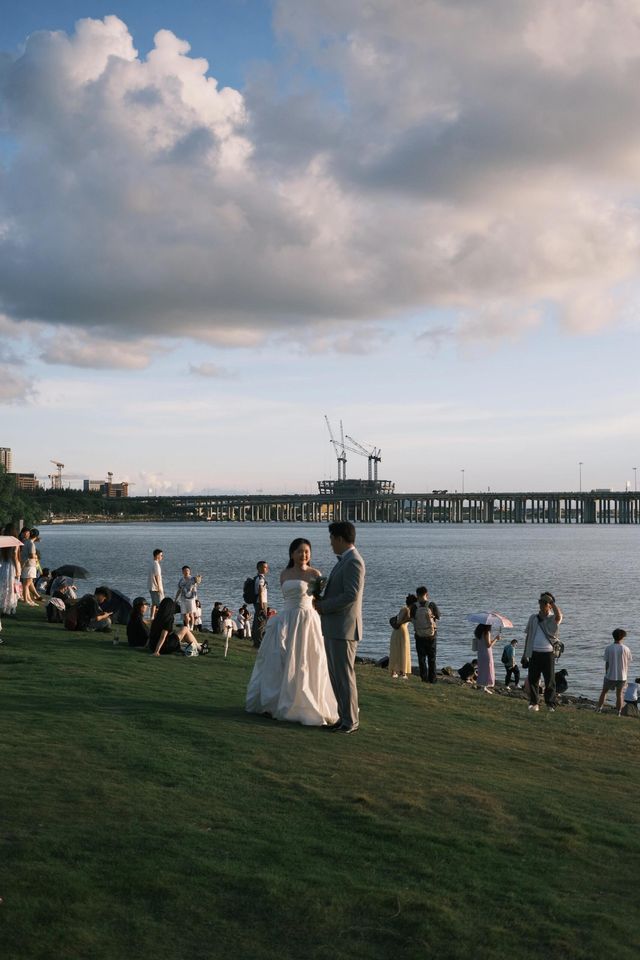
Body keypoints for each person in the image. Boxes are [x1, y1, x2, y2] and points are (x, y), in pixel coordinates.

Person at [246, 538, 338, 726]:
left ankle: (304, 704)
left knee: (307, 660)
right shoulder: (284, 574)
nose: (303, 555)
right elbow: (287, 597)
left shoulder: (315, 574)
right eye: (299, 551)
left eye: (306, 551)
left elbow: (317, 599)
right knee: (278, 659)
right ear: (292, 554)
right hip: (287, 619)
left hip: (307, 620)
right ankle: (274, 702)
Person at [314, 521, 365, 734]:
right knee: (336, 676)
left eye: (332, 539)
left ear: (340, 539)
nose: (330, 543)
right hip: (335, 627)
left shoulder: (354, 561)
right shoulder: (344, 560)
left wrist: (324, 606)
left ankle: (351, 721)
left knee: (344, 676)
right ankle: (343, 717)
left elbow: (350, 595)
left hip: (344, 628)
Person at [522, 591, 563, 712]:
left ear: (550, 605)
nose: (542, 604)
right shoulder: (533, 618)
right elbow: (528, 636)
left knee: (549, 680)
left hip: (548, 653)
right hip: (534, 652)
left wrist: (551, 601)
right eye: (541, 601)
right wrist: (525, 654)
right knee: (533, 679)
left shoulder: (552, 618)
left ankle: (550, 703)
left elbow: (559, 616)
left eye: (545, 602)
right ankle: (534, 702)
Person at [596, 629, 633, 715]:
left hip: (610, 675)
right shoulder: (626, 649)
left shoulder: (609, 648)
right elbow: (627, 664)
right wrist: (626, 676)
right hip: (622, 676)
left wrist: (606, 673)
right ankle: (618, 712)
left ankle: (599, 708)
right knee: (619, 694)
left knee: (604, 692)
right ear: (623, 637)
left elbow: (607, 663)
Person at [410, 586, 440, 683]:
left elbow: (412, 619)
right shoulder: (431, 605)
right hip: (431, 636)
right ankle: (433, 679)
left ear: (417, 595)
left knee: (421, 658)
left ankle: (424, 678)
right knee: (432, 659)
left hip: (419, 636)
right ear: (427, 594)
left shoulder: (414, 606)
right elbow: (438, 616)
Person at [388, 593, 415, 680]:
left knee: (398, 651)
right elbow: (399, 622)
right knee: (402, 651)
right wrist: (409, 619)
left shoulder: (405, 609)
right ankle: (401, 673)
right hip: (401, 632)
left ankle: (396, 672)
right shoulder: (406, 610)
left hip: (399, 632)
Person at [0, 523, 21, 616]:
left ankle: (4, 607)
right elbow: (15, 557)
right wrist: (17, 570)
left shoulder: (2, 542)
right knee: (12, 587)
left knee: (5, 586)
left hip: (4, 566)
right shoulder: (14, 542)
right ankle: (10, 607)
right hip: (11, 567)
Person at [474, 624, 497, 693]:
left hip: (480, 653)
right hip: (486, 653)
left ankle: (481, 684)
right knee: (487, 669)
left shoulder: (478, 632)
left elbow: (484, 642)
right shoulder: (487, 632)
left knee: (482, 669)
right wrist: (496, 639)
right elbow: (488, 645)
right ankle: (484, 686)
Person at [251, 560, 269, 648]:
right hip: (261, 603)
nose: (267, 569)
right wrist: (262, 606)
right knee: (261, 623)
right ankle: (259, 643)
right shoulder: (261, 579)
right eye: (265, 567)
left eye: (266, 567)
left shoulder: (258, 578)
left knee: (257, 622)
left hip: (258, 603)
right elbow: (260, 591)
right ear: (259, 568)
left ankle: (255, 641)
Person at [175, 565, 199, 630]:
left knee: (191, 613)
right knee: (185, 614)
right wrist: (176, 599)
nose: (186, 572)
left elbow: (195, 588)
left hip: (191, 598)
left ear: (190, 571)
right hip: (183, 599)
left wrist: (196, 598)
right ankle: (187, 626)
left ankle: (192, 627)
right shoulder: (181, 580)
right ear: (182, 572)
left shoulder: (193, 579)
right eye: (185, 571)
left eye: (188, 570)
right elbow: (179, 590)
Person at [20, 528, 41, 606]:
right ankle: (26, 601)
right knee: (27, 584)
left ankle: (28, 600)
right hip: (30, 565)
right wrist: (35, 556)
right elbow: (31, 555)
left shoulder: (26, 542)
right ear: (36, 536)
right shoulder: (31, 544)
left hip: (25, 565)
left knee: (26, 583)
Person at [147, 548, 164, 620]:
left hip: (151, 586)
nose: (162, 557)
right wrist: (160, 588)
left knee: (154, 603)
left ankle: (152, 617)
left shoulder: (151, 563)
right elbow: (158, 577)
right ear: (157, 556)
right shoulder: (156, 564)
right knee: (161, 604)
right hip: (156, 587)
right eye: (161, 555)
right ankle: (159, 618)